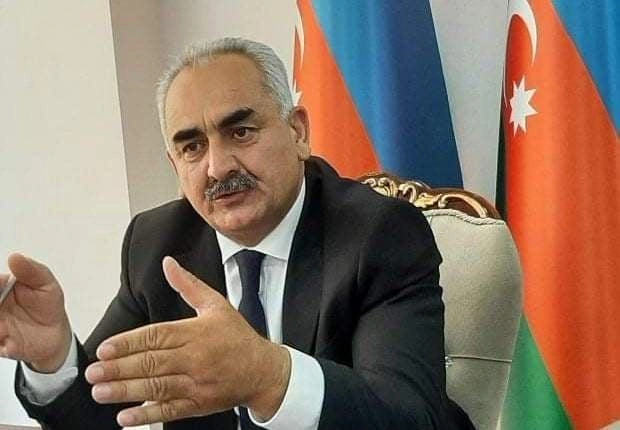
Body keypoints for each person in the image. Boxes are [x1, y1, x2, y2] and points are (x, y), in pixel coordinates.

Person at [0, 38, 471, 429]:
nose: (217, 167)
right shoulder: (157, 243)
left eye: (241, 132)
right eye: (192, 147)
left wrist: (269, 377)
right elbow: (99, 413)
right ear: (175, 165)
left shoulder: (380, 234)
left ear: (298, 132)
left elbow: (410, 416)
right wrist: (53, 358)